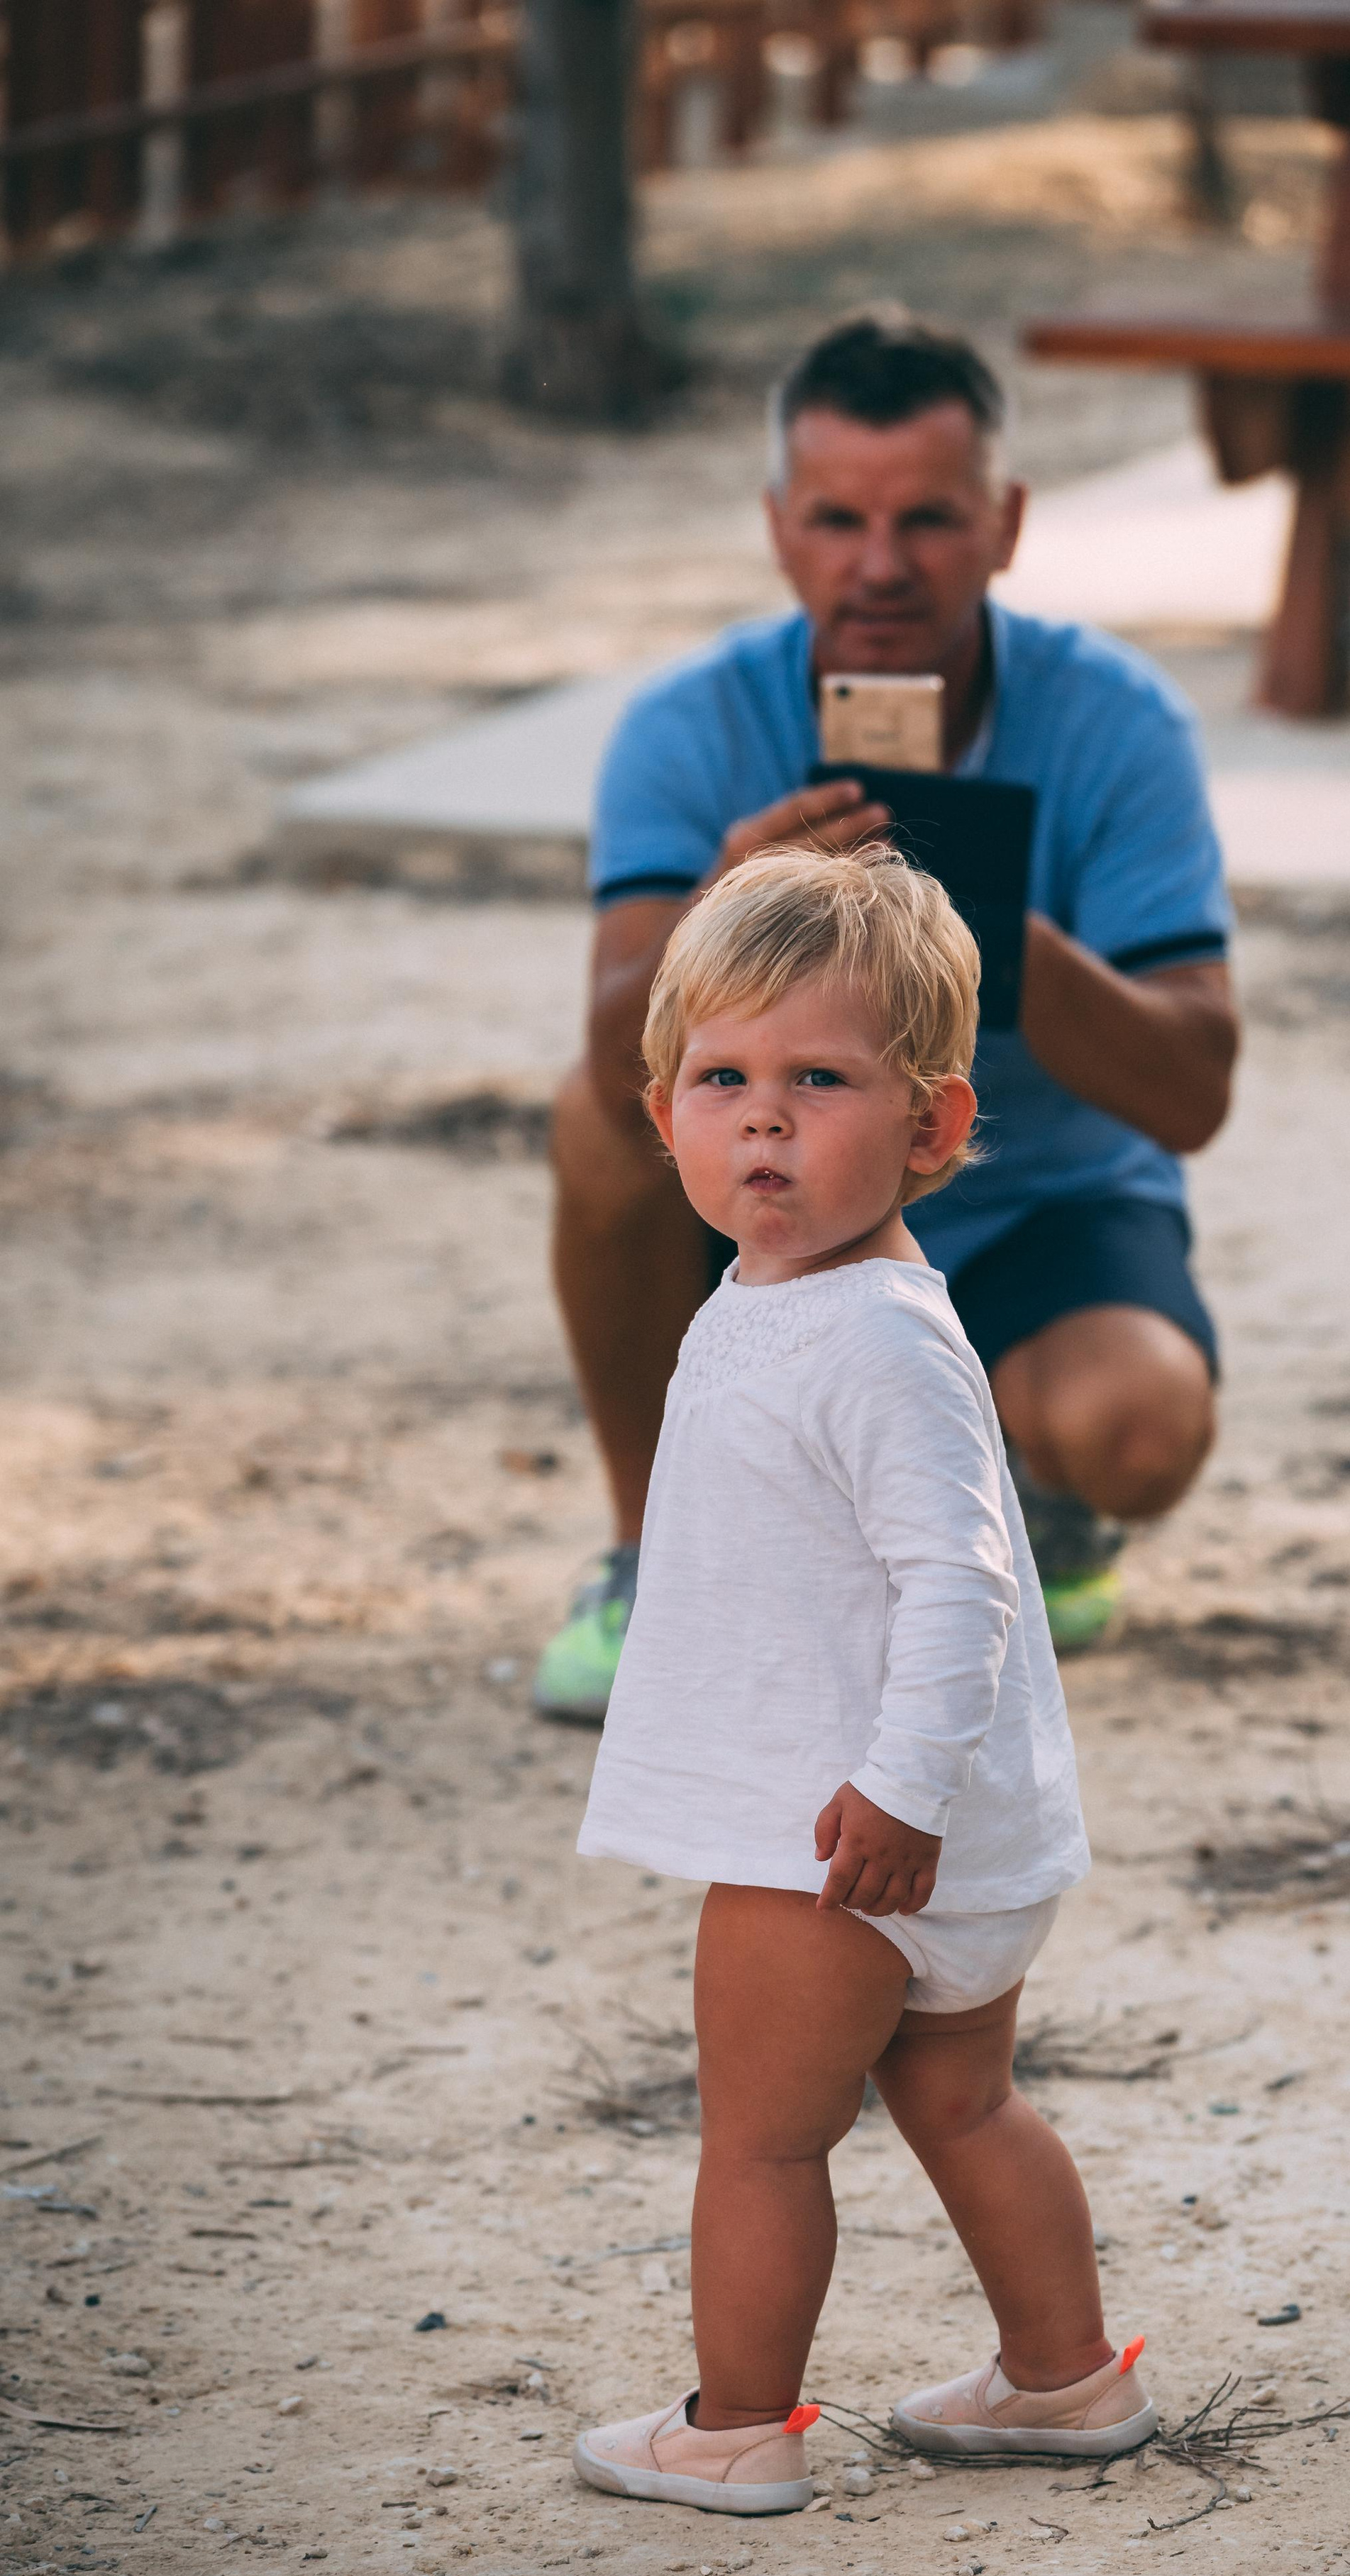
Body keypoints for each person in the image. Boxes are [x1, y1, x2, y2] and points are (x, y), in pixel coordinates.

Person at [536, 308, 1239, 1721]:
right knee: (599, 1123)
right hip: (774, 1198)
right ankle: (655, 1563)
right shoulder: (690, 726)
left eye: (927, 518)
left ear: (1004, 524)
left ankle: (1027, 1507)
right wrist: (732, 904)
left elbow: (1191, 1092)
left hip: (1034, 1201)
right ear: (778, 530)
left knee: (1140, 1429)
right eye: (837, 519)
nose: (878, 565)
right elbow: (620, 1061)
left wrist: (981, 926)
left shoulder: (1116, 722)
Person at [570, 845, 1155, 2516]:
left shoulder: (873, 1337)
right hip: (943, 1833)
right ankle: (1060, 2378)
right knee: (962, 2105)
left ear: (931, 1126)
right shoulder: (785, 1301)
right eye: (722, 1081)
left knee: (760, 2139)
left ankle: (737, 2424)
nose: (762, 1118)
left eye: (817, 1081)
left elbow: (963, 1585)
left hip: (829, 1838)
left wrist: (894, 1792)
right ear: (662, 1111)